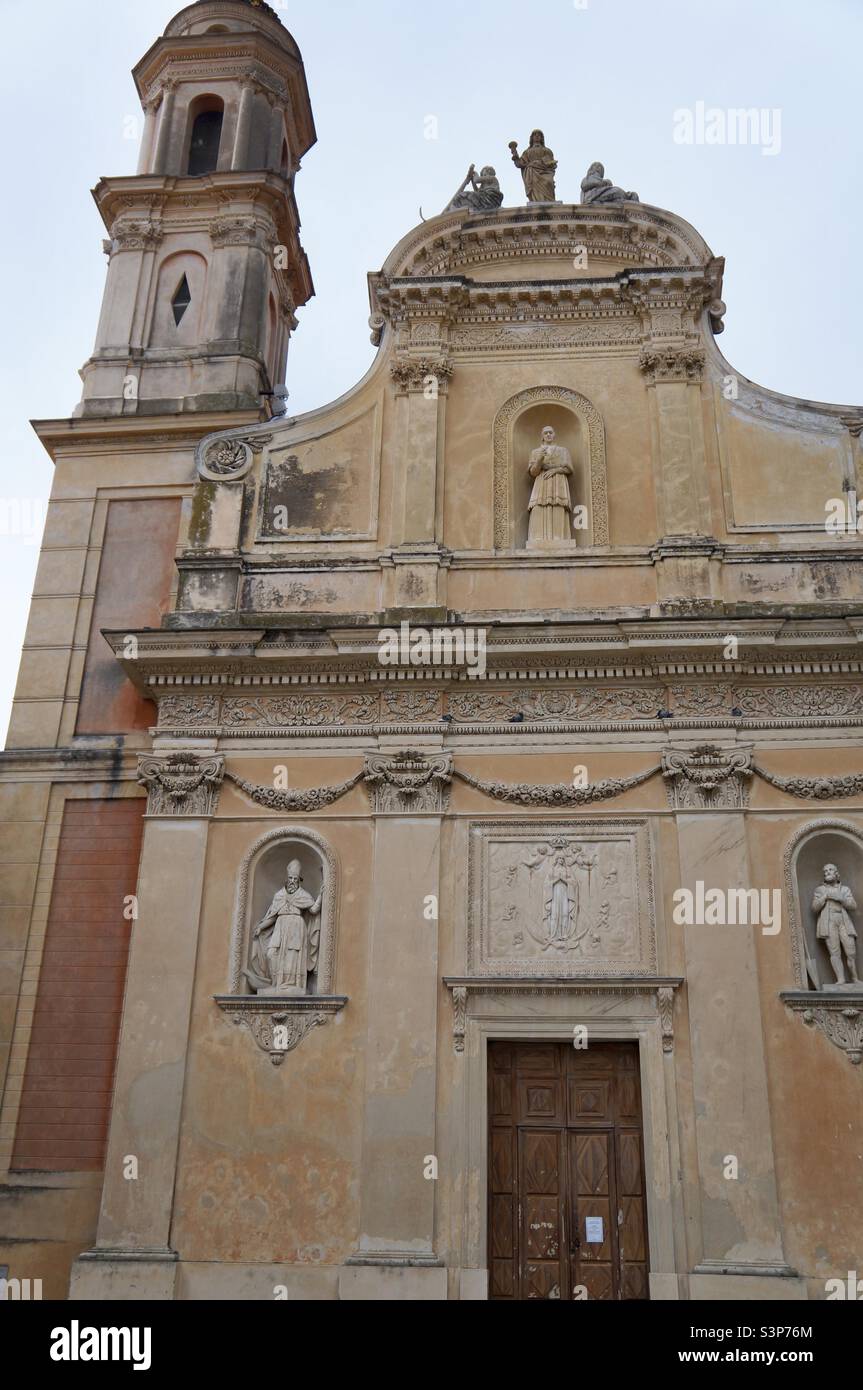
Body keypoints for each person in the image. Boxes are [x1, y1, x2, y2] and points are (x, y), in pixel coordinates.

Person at [812, 863, 859, 986]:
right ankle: (841, 979)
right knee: (834, 952)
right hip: (828, 922)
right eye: (825, 870)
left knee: (851, 951)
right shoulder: (820, 890)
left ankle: (855, 978)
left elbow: (853, 905)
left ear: (836, 873)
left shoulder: (844, 889)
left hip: (843, 920)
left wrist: (841, 898)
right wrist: (825, 897)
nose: (827, 872)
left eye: (830, 870)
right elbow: (814, 908)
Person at [527, 425, 574, 543]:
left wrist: (556, 470)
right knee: (538, 506)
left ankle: (559, 537)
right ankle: (539, 537)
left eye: (550, 432)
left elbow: (569, 469)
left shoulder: (563, 450)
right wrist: (539, 459)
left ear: (554, 434)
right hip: (541, 482)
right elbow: (533, 472)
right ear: (542, 436)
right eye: (546, 433)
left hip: (558, 481)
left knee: (558, 505)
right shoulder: (536, 452)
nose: (548, 435)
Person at [509, 131, 557, 203]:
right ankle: (536, 201)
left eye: (539, 135)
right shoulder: (527, 152)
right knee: (534, 187)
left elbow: (552, 164)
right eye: (535, 135)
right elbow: (520, 164)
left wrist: (539, 163)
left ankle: (548, 201)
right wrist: (515, 155)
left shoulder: (547, 151)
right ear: (532, 138)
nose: (537, 136)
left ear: (542, 138)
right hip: (532, 172)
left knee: (548, 182)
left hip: (545, 171)